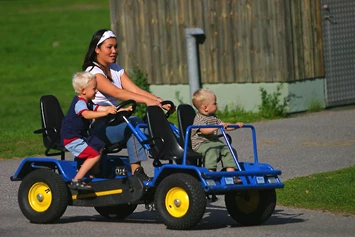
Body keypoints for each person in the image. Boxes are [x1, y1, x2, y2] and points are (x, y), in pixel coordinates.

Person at [82, 29, 168, 181]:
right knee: (134, 125)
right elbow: (117, 93)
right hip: (98, 126)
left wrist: (159, 101)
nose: (114, 51)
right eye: (109, 47)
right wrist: (148, 101)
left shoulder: (116, 69)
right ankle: (137, 172)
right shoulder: (93, 73)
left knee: (142, 124)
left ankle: (171, 164)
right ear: (97, 49)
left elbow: (135, 90)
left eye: (116, 47)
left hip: (113, 121)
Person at [61, 72, 128, 190]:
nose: (97, 91)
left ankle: (94, 173)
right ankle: (76, 180)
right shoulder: (80, 103)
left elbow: (102, 108)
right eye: (94, 88)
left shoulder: (88, 103)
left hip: (80, 136)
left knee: (99, 145)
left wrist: (123, 109)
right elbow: (86, 114)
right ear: (83, 91)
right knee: (94, 154)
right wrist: (105, 113)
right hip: (72, 138)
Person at [191, 88, 244, 180]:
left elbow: (225, 126)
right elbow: (204, 131)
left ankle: (231, 174)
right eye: (214, 103)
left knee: (229, 149)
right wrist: (217, 126)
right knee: (211, 150)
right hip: (201, 144)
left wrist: (236, 125)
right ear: (205, 107)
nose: (217, 105)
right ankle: (210, 173)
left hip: (213, 141)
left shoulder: (213, 117)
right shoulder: (199, 118)